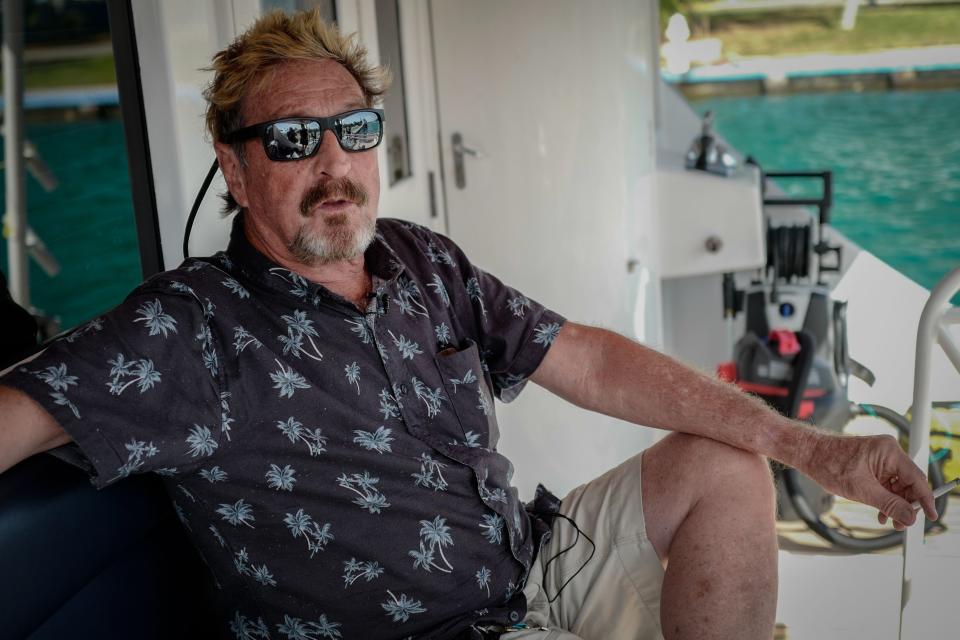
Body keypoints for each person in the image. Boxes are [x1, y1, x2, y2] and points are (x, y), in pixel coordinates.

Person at [0, 10, 937, 640]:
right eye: (291, 141)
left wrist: (812, 449)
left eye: (354, 131)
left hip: (528, 563)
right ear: (235, 171)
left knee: (724, 464)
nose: (333, 165)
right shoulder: (186, 327)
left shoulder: (415, 257)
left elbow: (593, 364)